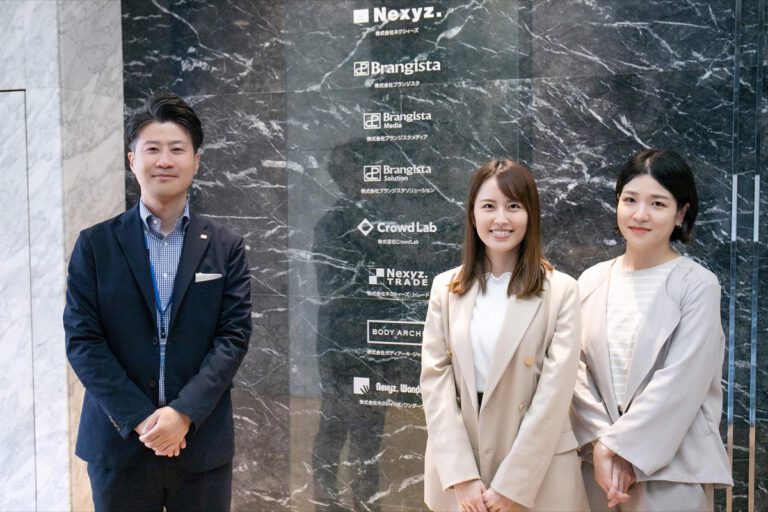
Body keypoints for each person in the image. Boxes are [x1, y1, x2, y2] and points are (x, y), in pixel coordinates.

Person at [63, 93, 252, 512]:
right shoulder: (95, 245)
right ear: (132, 161)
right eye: (152, 149)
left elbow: (233, 337)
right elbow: (83, 340)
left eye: (177, 149)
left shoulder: (225, 246)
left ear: (196, 161)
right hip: (119, 444)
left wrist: (183, 414)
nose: (164, 160)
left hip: (200, 443)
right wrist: (141, 419)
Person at [420, 159, 589, 512]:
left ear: (531, 215)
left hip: (536, 473)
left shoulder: (561, 291)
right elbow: (435, 383)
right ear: (472, 214)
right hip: (462, 471)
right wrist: (461, 475)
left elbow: (555, 395)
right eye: (488, 206)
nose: (501, 219)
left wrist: (514, 484)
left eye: (513, 206)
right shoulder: (445, 288)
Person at [571, 149, 733, 511]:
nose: (640, 214)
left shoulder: (697, 285)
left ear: (681, 213)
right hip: (596, 469)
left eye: (657, 203)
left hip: (672, 470)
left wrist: (620, 447)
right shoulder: (591, 281)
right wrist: (601, 442)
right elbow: (574, 372)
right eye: (630, 200)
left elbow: (681, 383)